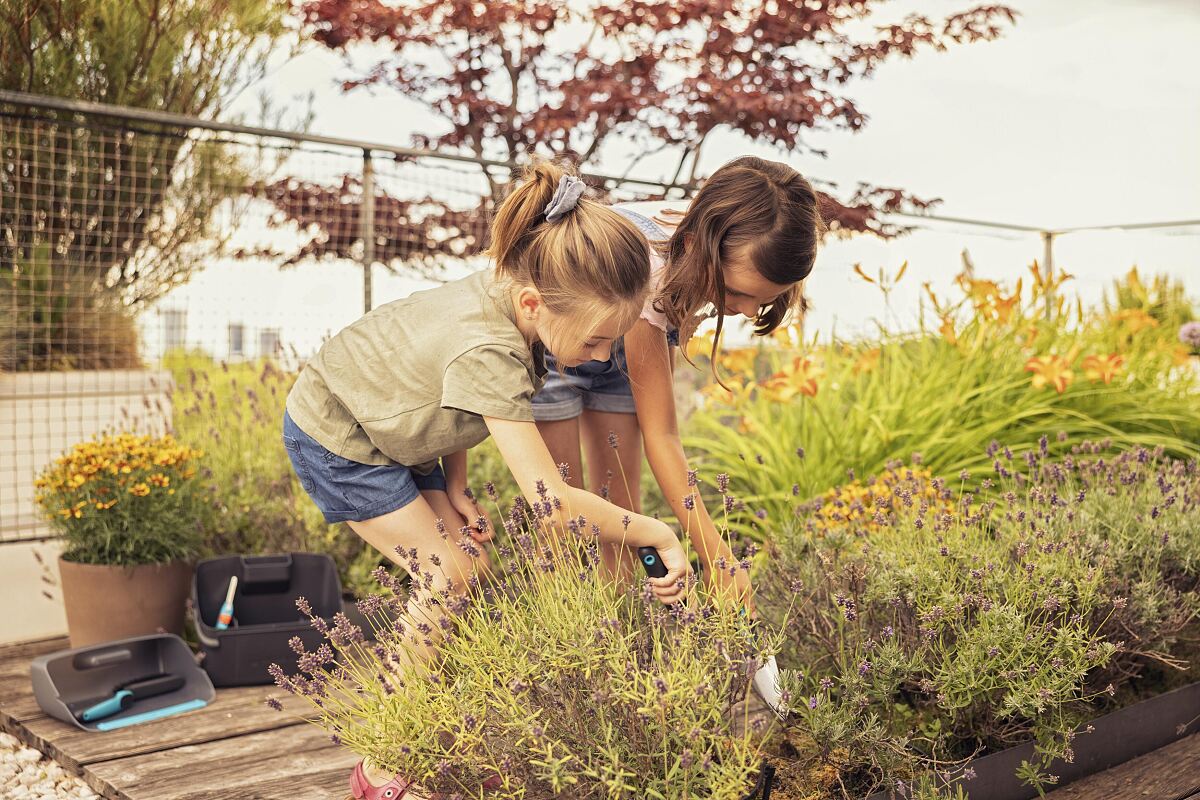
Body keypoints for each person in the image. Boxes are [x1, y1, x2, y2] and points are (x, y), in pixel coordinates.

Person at [280, 161, 691, 800]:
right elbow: (551, 504)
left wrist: (456, 484)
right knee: (447, 574)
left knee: (469, 559)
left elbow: (447, 400)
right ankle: (380, 759)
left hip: (397, 424)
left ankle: (437, 722)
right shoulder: (493, 349)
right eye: (598, 340)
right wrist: (654, 528)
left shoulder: (513, 294)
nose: (606, 357)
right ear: (534, 304)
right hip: (343, 438)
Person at [532, 155, 823, 613]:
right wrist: (718, 558)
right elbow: (662, 436)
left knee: (620, 512)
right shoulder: (651, 268)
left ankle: (616, 642)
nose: (748, 311)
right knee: (563, 518)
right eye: (740, 294)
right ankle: (567, 650)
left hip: (625, 338)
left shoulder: (726, 229)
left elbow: (660, 424)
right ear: (697, 247)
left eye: (764, 299)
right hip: (559, 340)